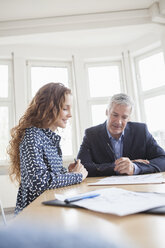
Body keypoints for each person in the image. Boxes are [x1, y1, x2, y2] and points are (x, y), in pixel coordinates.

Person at [8, 82, 88, 214]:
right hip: (34, 214)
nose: (70, 115)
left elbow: (49, 174)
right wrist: (76, 176)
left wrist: (67, 171)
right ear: (49, 107)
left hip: (49, 208)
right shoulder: (32, 136)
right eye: (65, 108)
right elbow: (39, 182)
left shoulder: (48, 137)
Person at [77, 93, 165, 176]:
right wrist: (119, 166)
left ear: (129, 118)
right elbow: (81, 167)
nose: (118, 122)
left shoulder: (141, 131)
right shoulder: (91, 135)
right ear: (107, 112)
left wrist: (134, 167)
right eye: (115, 115)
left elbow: (162, 159)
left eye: (124, 117)